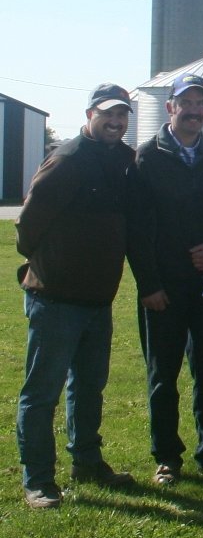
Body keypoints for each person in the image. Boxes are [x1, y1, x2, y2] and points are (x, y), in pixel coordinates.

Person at [15, 83, 138, 508]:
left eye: (122, 115)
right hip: (55, 299)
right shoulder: (67, 160)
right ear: (89, 115)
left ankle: (87, 462)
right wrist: (48, 264)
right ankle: (37, 480)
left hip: (97, 300)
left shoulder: (123, 160)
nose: (115, 122)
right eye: (107, 114)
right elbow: (28, 224)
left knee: (88, 388)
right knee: (42, 393)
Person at [130, 73, 203, 485]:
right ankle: (166, 457)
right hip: (163, 288)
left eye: (200, 104)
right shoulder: (147, 158)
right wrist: (149, 285)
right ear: (170, 107)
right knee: (163, 375)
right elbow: (136, 231)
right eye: (186, 103)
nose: (194, 111)